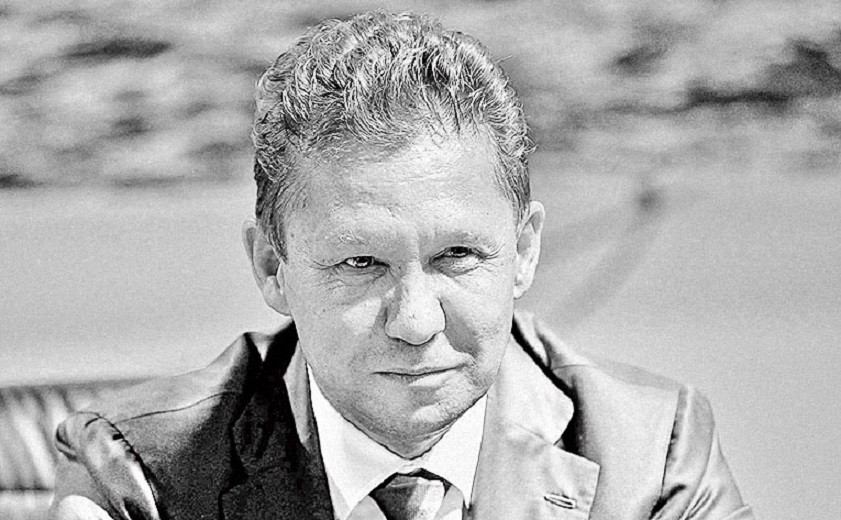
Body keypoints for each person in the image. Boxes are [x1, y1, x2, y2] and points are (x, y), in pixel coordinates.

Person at [49, 11, 753, 520]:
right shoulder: (135, 476)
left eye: (458, 255)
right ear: (271, 265)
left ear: (523, 251)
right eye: (360, 262)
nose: (415, 322)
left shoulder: (651, 456)